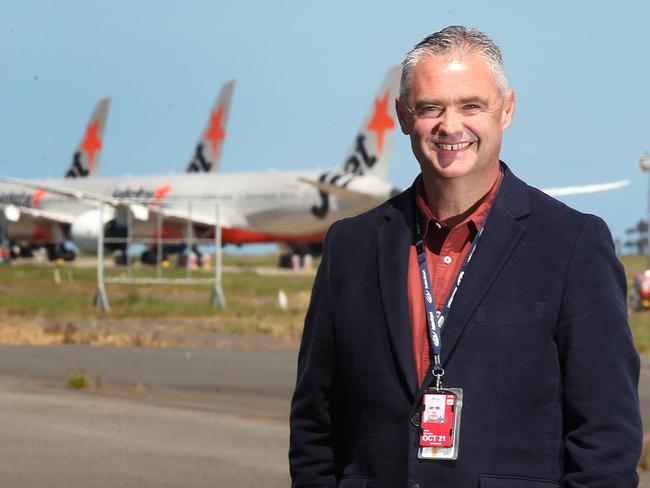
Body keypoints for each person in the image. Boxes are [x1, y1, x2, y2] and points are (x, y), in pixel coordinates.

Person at [289, 25, 642, 487]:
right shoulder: (350, 248)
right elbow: (316, 425)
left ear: (507, 110)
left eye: (471, 106)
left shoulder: (572, 244)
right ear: (402, 115)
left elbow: (606, 437)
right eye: (430, 107)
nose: (450, 126)